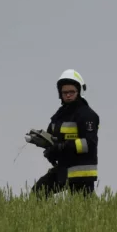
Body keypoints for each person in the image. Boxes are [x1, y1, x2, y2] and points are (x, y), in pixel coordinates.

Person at [31, 69, 99, 198]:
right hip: (63, 168)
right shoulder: (59, 115)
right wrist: (48, 148)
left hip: (81, 173)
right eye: (65, 92)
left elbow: (88, 143)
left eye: (71, 92)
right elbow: (53, 137)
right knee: (38, 192)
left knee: (83, 210)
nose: (68, 95)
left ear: (79, 92)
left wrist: (63, 147)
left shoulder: (87, 115)